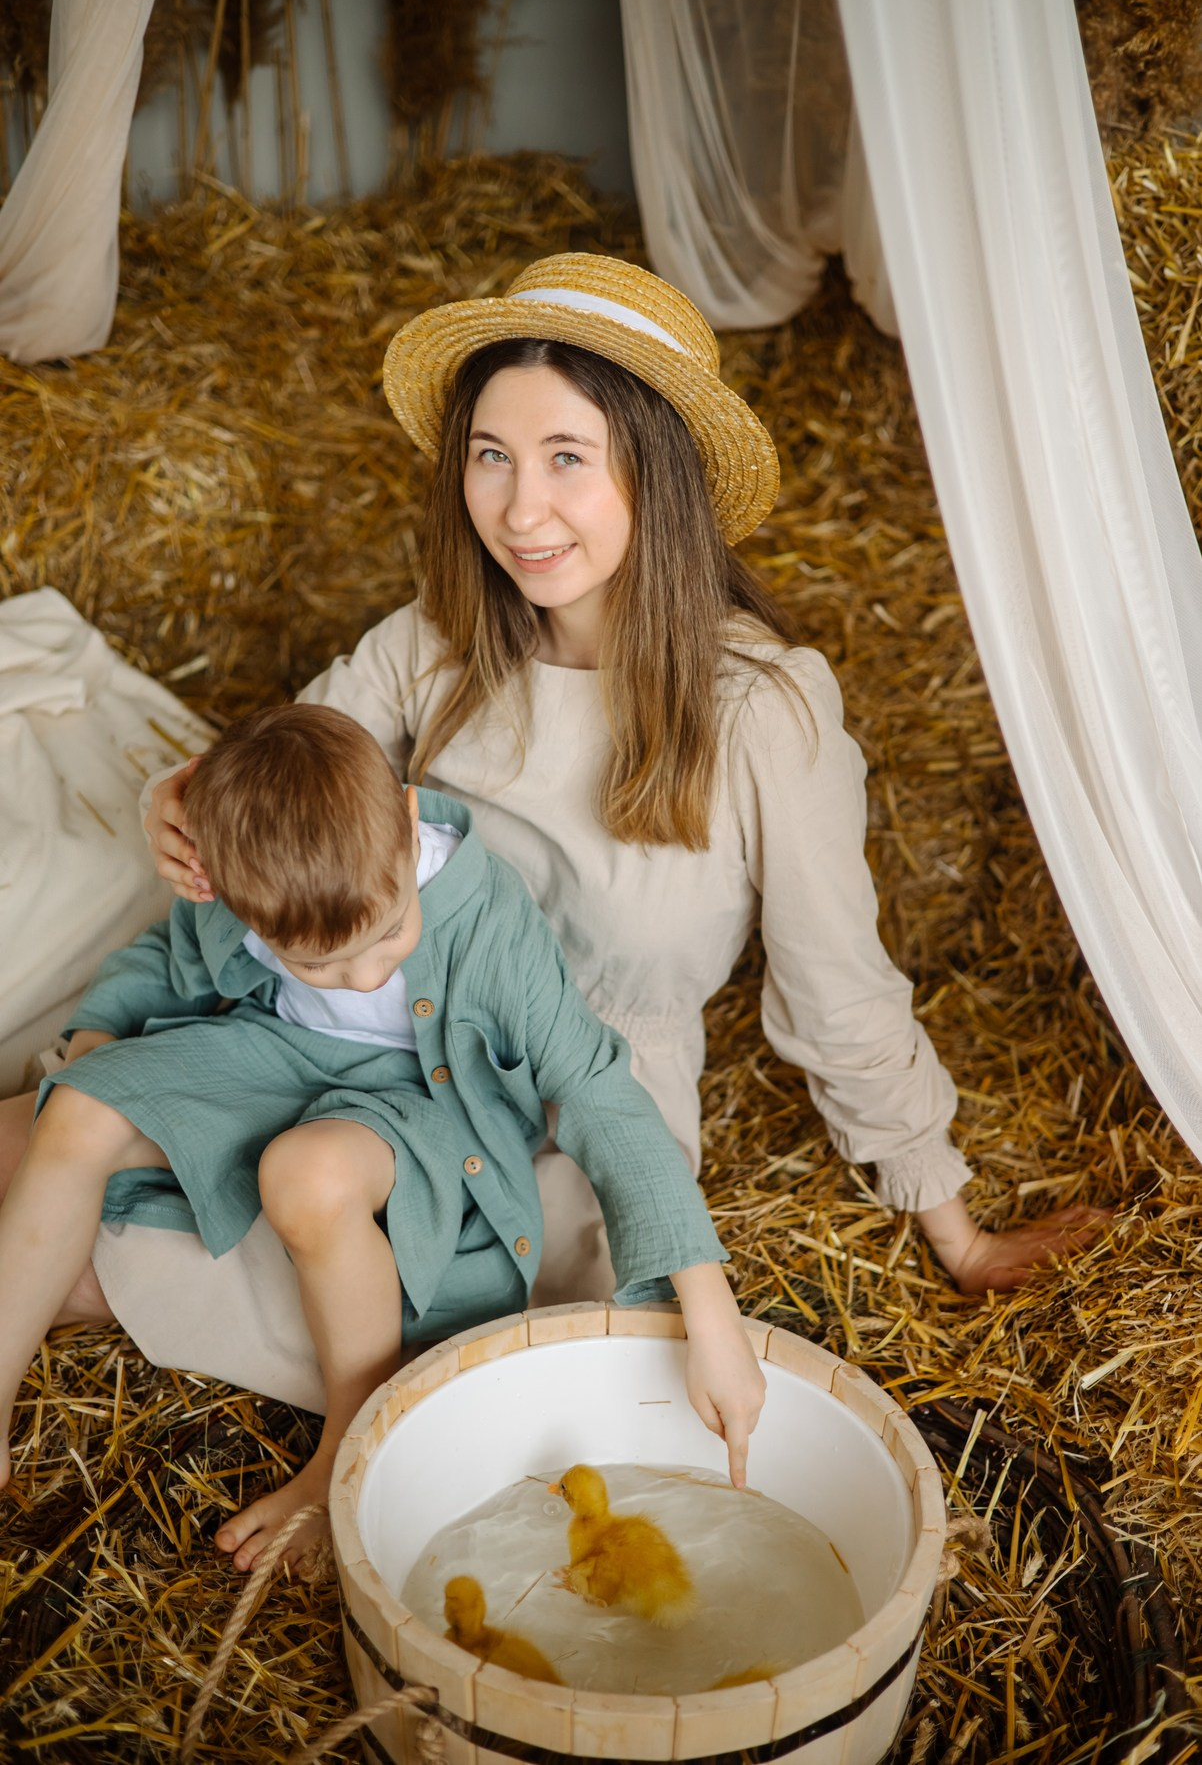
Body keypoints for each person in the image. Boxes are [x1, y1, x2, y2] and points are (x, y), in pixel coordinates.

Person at [0, 253, 1105, 1543]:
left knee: (131, 1239)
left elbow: (838, 993)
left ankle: (336, 1430)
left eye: (567, 457)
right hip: (350, 1022)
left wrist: (953, 1229)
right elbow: (281, 770)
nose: (519, 507)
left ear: (657, 468)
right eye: (489, 454)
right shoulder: (435, 642)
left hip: (549, 1125)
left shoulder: (766, 709)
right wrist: (175, 804)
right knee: (32, 1140)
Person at [0, 702, 764, 1566]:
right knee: (69, 1109)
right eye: (320, 965)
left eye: (392, 932)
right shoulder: (243, 880)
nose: (368, 973)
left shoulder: (485, 919)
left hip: (429, 1112)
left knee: (308, 1175)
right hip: (279, 1055)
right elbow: (168, 957)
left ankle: (343, 1460)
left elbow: (595, 1090)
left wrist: (710, 1310)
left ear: (408, 816)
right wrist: (102, 1042)